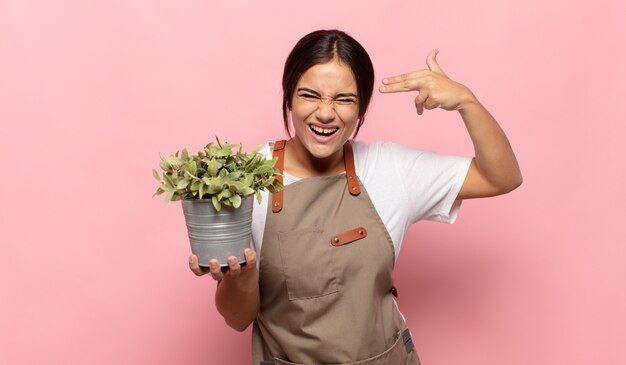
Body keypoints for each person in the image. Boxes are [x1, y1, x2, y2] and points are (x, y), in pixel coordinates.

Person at [189, 29, 522, 364]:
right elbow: (237, 318)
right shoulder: (249, 180)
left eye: (344, 99)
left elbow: (502, 177)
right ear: (288, 98)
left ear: (361, 109)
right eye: (310, 95)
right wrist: (243, 278)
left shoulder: (388, 169)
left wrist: (467, 102)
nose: (325, 113)